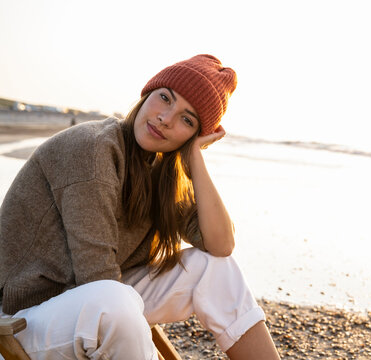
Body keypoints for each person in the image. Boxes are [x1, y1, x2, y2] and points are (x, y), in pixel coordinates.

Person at [0, 54, 281, 359]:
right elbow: (97, 281)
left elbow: (221, 246)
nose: (166, 118)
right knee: (114, 300)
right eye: (165, 98)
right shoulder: (92, 149)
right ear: (148, 93)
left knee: (213, 268)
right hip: (21, 318)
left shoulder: (162, 172)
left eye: (188, 120)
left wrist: (195, 160)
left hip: (89, 301)